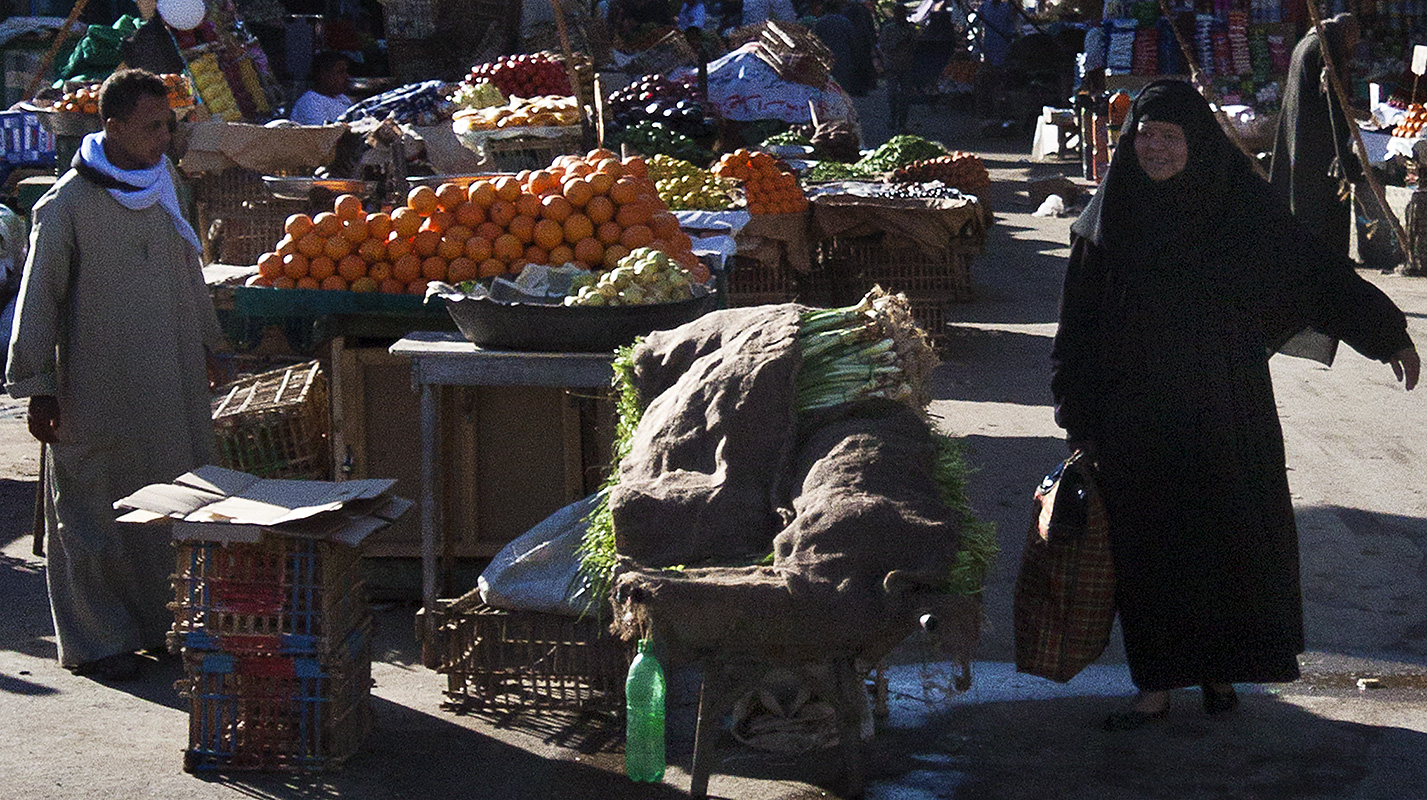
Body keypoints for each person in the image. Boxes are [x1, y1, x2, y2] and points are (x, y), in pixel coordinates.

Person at [1050, 80, 1419, 731]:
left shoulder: (1235, 210)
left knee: (1226, 544)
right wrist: (1075, 419)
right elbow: (1073, 330)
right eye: (1145, 135)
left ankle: (1218, 673)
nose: (1155, 148)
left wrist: (1385, 331)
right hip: (1134, 419)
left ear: (1196, 143)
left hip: (1224, 406)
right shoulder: (1105, 223)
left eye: (1170, 136)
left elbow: (1312, 270)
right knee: (1151, 554)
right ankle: (1156, 687)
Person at [6, 69, 229, 681]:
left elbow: (190, 275)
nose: (165, 137)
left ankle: (164, 625)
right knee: (90, 517)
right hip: (93, 388)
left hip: (170, 383)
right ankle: (98, 642)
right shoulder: (66, 205)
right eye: (152, 126)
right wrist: (38, 388)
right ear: (112, 126)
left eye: (168, 125)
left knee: (169, 510)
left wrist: (210, 345)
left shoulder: (166, 189)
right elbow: (39, 302)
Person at [1270, 14, 1363, 266]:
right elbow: (1333, 97)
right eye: (1352, 45)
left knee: (1304, 195)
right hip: (1318, 138)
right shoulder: (1328, 43)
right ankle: (1326, 259)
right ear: (1347, 34)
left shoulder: (1308, 40)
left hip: (1302, 130)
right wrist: (1343, 144)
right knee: (1324, 199)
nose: (1351, 51)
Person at [879, 1, 917, 134]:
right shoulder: (889, 29)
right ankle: (892, 117)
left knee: (906, 96)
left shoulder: (911, 29)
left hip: (907, 66)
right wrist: (898, 43)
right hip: (892, 65)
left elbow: (915, 47)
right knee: (892, 94)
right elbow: (884, 46)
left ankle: (902, 122)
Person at [975, 0, 1016, 117]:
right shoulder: (985, 6)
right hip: (989, 44)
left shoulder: (1006, 7)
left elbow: (1011, 25)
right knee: (990, 73)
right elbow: (977, 22)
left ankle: (1001, 101)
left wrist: (1011, 36)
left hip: (1003, 43)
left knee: (1001, 72)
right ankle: (990, 103)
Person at [289, 51, 353, 125]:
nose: (346, 76)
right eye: (340, 72)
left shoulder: (342, 98)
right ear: (324, 74)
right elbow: (323, 133)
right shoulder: (310, 102)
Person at [812, 0, 857, 93]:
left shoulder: (820, 22)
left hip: (826, 57)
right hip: (843, 55)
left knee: (829, 83)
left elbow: (815, 40)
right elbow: (852, 39)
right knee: (843, 83)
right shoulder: (844, 21)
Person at [842, 0, 877, 96]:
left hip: (856, 42)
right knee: (862, 64)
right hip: (862, 42)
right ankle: (862, 87)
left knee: (857, 65)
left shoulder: (848, 11)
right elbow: (869, 27)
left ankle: (859, 87)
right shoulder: (863, 11)